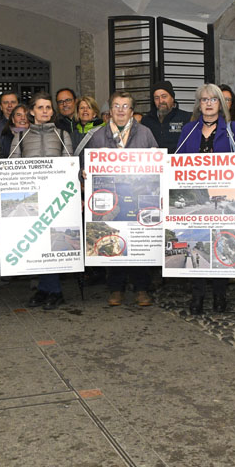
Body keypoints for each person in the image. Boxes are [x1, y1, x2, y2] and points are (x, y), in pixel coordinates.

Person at [84, 91, 159, 307]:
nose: (120, 110)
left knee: (137, 242)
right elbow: (87, 165)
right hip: (111, 198)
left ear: (132, 111)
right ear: (110, 110)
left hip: (137, 196)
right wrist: (85, 172)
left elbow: (156, 162)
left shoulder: (144, 133)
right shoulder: (98, 136)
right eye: (116, 106)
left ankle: (141, 289)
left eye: (125, 106)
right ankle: (115, 289)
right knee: (112, 239)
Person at [175, 84, 235, 314]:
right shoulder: (188, 130)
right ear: (199, 104)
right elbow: (177, 163)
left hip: (223, 197)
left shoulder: (233, 129)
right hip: (198, 196)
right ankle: (197, 295)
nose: (208, 103)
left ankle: (219, 294)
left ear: (221, 104)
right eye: (204, 99)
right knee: (197, 242)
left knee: (220, 243)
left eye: (213, 99)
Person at [9, 92, 73, 309]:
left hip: (57, 199)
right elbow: (11, 170)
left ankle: (50, 290)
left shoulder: (63, 135)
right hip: (31, 200)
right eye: (40, 107)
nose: (45, 111)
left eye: (48, 107)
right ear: (32, 111)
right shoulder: (20, 137)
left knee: (54, 243)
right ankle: (48, 289)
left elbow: (70, 167)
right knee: (37, 244)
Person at [141, 80, 190, 152]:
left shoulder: (186, 118)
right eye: (157, 98)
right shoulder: (146, 121)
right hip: (155, 161)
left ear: (172, 98)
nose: (161, 101)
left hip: (178, 161)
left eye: (164, 96)